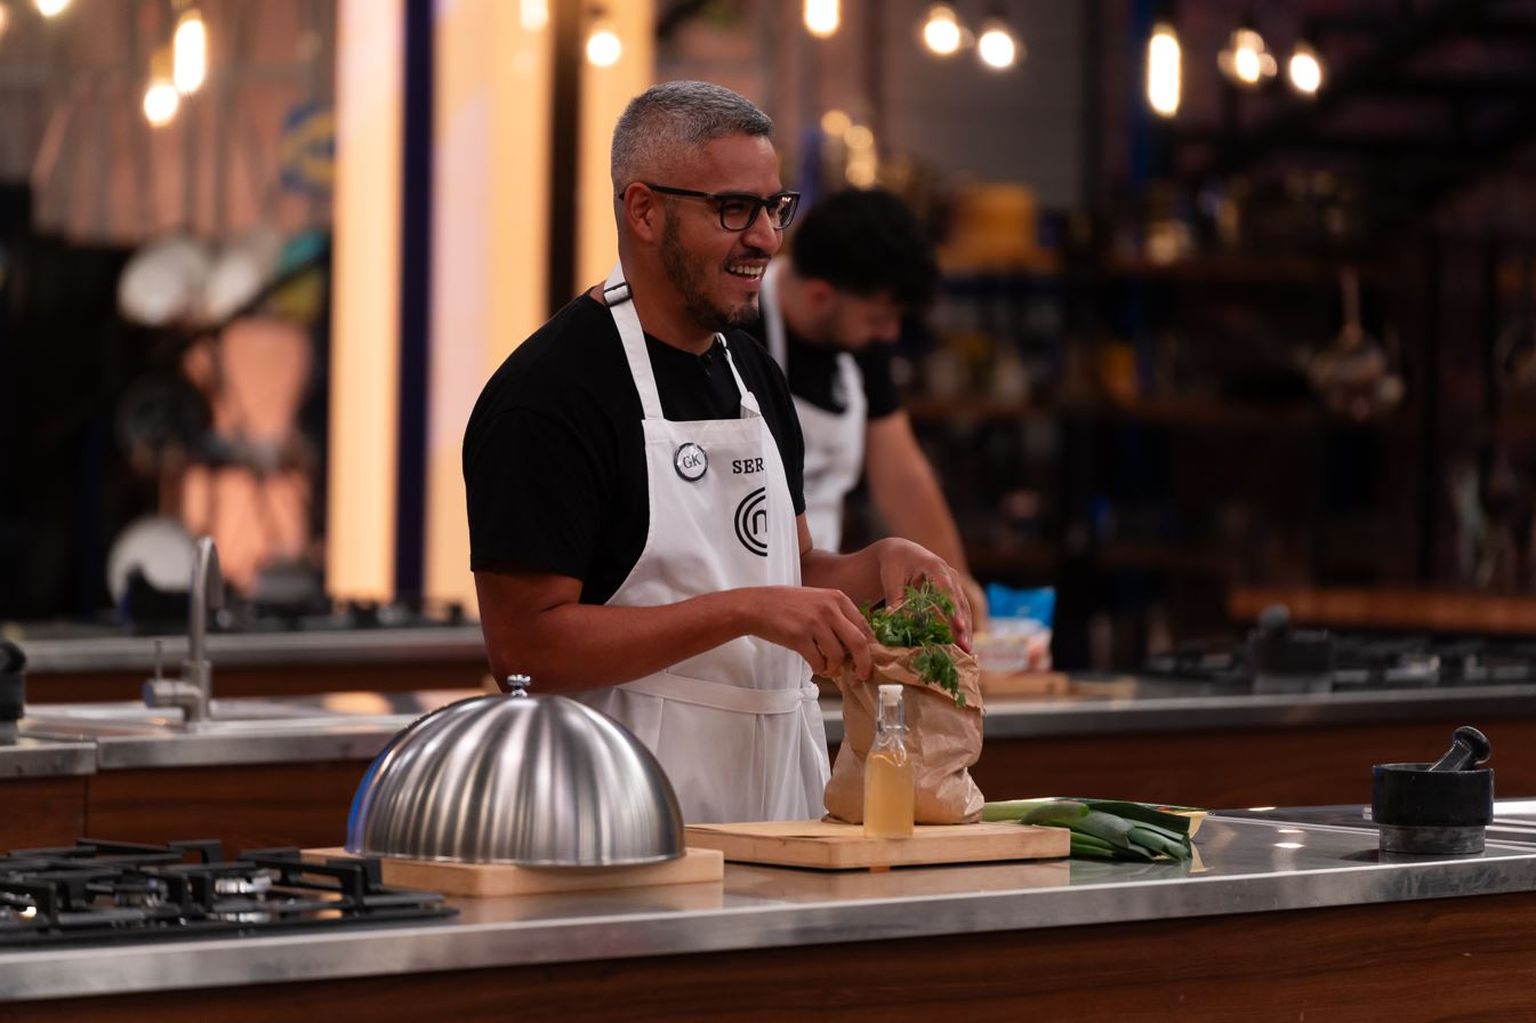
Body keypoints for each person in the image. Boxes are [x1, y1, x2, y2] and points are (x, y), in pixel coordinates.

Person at [463, 81, 971, 825]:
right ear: (644, 211)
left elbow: (789, 569)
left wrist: (880, 564)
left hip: (781, 804)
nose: (766, 239)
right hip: (623, 816)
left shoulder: (752, 373)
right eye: (734, 209)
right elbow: (525, 650)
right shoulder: (548, 394)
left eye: (774, 208)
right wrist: (744, 611)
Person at [747, 188, 988, 624]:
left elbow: (903, 477)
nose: (890, 334)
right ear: (820, 296)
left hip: (820, 594)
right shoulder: (742, 328)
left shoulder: (860, 340)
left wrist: (956, 586)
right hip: (749, 597)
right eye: (880, 318)